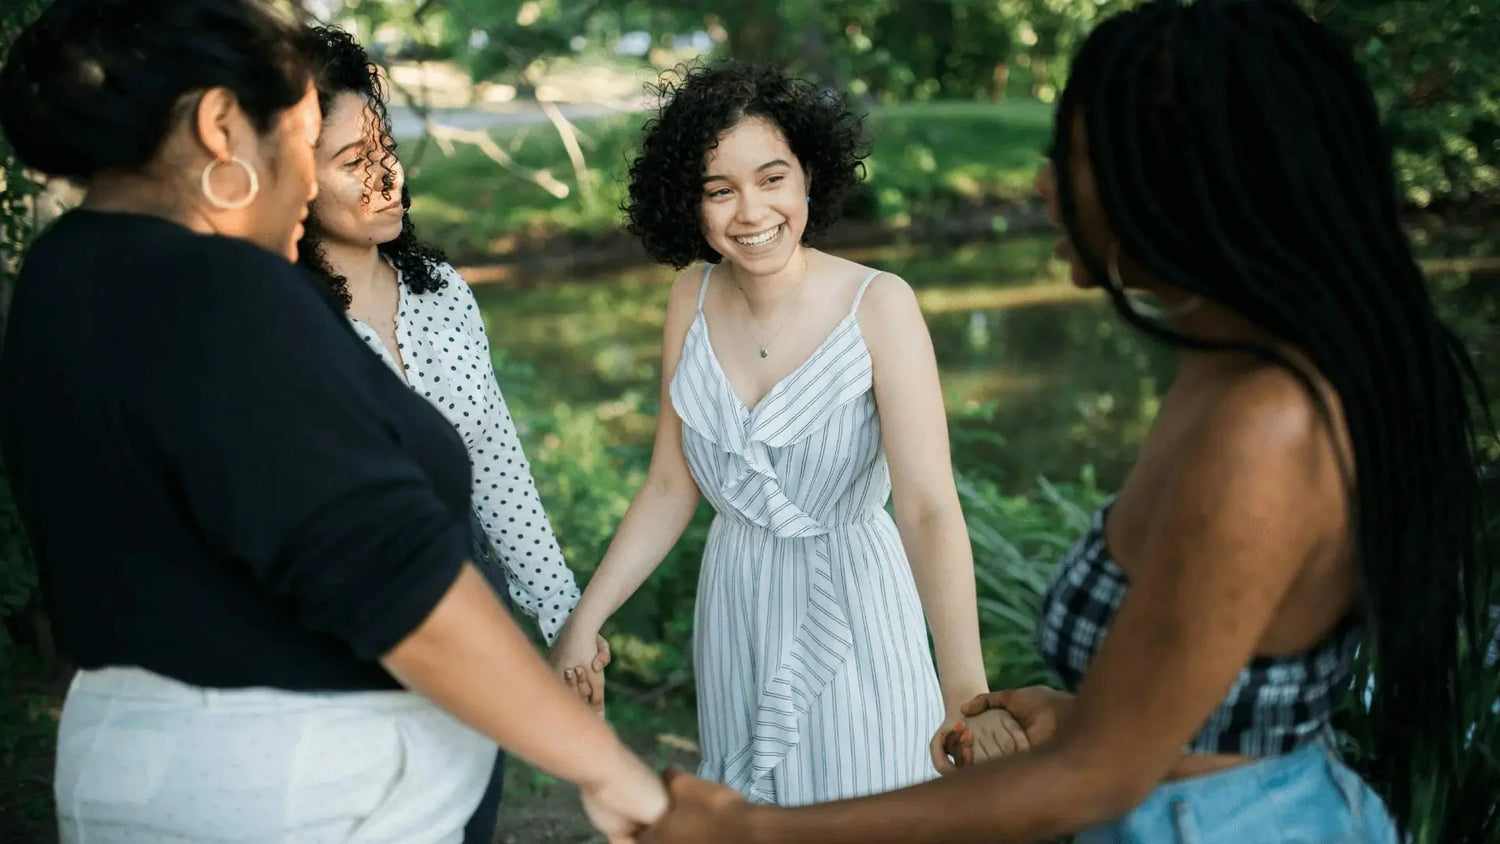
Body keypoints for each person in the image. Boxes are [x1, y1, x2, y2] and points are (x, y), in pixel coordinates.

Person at [638, 1, 1490, 841]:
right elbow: (1194, 710)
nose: (1044, 183)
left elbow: (1091, 780)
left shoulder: (1269, 423)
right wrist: (1074, 713)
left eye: (1075, 156)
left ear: (1180, 179)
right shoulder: (1221, 372)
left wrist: (755, 832)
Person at [0, 2, 662, 841]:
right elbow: (396, 587)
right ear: (219, 126)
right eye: (309, 140)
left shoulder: (64, 274)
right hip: (300, 791)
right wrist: (610, 772)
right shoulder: (222, 293)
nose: (310, 185)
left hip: (139, 758)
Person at [548, 60, 1019, 808]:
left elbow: (928, 506)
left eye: (772, 179)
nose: (750, 211)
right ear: (690, 203)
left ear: (808, 178)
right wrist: (586, 619)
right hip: (736, 605)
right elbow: (672, 485)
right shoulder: (689, 296)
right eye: (719, 190)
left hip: (859, 608)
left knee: (872, 812)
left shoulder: (880, 304)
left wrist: (967, 691)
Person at [293, 26, 612, 842]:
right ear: (294, 178)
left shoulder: (442, 295)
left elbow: (498, 467)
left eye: (386, 148)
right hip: (346, 628)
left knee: (467, 820)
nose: (387, 176)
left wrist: (563, 619)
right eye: (353, 163)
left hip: (475, 609)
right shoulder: (282, 321)